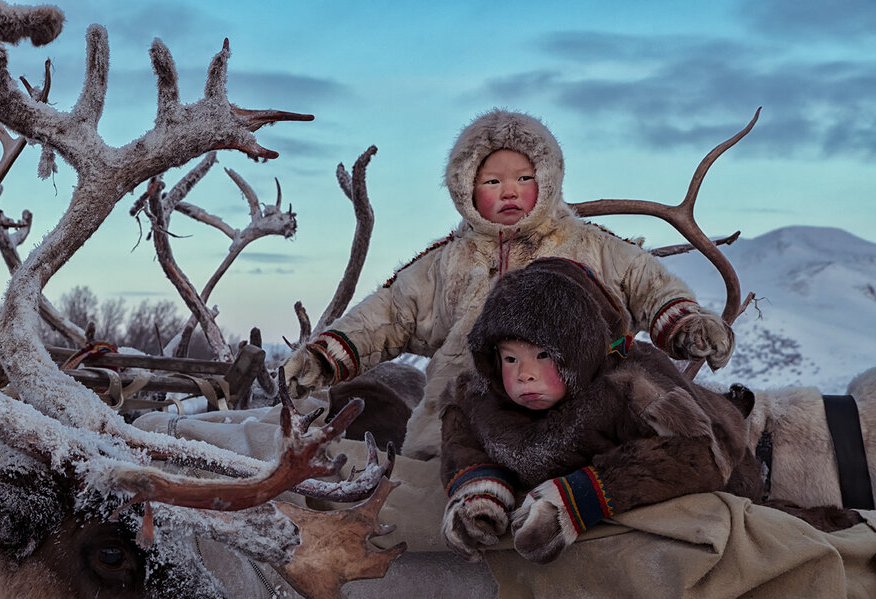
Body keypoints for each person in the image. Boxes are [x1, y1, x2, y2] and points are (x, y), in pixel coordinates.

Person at [282, 109, 734, 460]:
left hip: (573, 427)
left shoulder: (590, 244)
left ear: (548, 180)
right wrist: (326, 356)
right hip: (452, 432)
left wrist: (686, 324)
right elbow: (389, 314)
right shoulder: (446, 261)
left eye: (524, 178)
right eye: (492, 181)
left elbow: (646, 283)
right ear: (465, 189)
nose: (510, 192)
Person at [438, 257, 762, 564]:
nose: (525, 373)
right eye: (511, 359)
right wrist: (480, 490)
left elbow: (703, 454)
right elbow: (461, 436)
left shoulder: (633, 387)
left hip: (723, 465)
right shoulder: (479, 394)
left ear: (578, 350)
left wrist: (581, 498)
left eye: (543, 356)